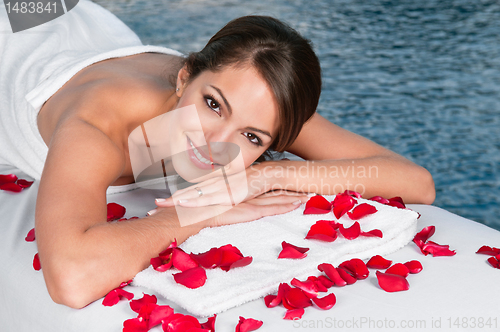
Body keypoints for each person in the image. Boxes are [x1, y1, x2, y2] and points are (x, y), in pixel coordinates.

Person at [9, 8, 434, 308]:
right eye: (213, 104)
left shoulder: (254, 97)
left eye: (251, 136)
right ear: (185, 76)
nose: (216, 144)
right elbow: (70, 278)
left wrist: (263, 179)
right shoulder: (95, 127)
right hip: (22, 34)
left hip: (80, 32)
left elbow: (415, 181)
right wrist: (203, 212)